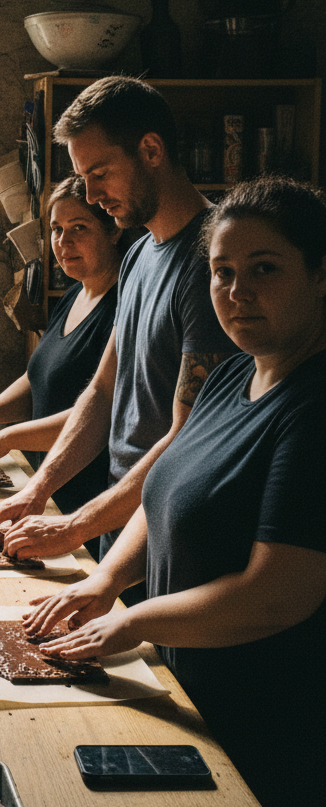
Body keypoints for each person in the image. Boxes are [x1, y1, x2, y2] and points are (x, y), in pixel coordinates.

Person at [21, 176, 326, 807]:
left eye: (264, 269)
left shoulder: (313, 409)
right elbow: (163, 493)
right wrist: (106, 581)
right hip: (190, 696)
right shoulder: (232, 371)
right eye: (222, 272)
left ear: (320, 275)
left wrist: (133, 621)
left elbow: (278, 593)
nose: (237, 293)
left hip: (266, 724)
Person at [0, 76, 236, 591]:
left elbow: (185, 441)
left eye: (99, 174)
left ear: (151, 149)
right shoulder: (139, 254)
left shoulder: (214, 266)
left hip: (169, 533)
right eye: (83, 177)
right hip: (114, 516)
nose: (92, 196)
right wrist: (40, 490)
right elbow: (101, 391)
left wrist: (74, 525)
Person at [0, 175, 124, 558]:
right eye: (57, 230)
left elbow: (101, 412)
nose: (64, 243)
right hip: (44, 488)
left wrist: (10, 437)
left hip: (86, 497)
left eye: (79, 228)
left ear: (113, 231)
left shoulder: (121, 309)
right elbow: (40, 378)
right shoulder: (73, 296)